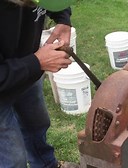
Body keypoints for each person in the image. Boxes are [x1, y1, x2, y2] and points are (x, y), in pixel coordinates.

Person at [0, 0, 73, 167]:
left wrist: (63, 19)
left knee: (37, 125)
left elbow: (56, 2)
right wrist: (37, 62)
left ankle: (46, 164)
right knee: (12, 158)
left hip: (28, 68)